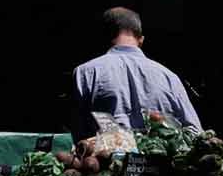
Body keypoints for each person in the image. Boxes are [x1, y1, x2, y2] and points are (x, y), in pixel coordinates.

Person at [71, 7, 202, 140]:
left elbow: (78, 135)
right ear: (141, 39)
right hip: (160, 159)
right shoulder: (169, 77)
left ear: (104, 35)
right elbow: (195, 132)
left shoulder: (85, 73)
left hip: (106, 159)